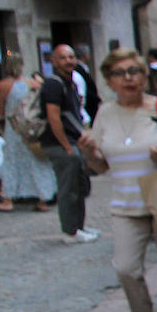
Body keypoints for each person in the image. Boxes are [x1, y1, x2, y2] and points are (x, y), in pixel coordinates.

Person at [77, 48, 157, 312]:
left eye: (134, 71)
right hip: (125, 203)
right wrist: (89, 153)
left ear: (144, 76)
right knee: (126, 268)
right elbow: (102, 166)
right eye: (120, 73)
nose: (129, 78)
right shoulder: (105, 114)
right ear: (109, 80)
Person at [41, 44, 99, 243]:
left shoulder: (71, 83)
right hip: (60, 144)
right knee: (68, 188)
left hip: (74, 141)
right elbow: (53, 117)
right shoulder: (53, 85)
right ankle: (70, 231)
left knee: (79, 185)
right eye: (63, 57)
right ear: (54, 61)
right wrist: (66, 145)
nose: (68, 61)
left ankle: (78, 226)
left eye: (71, 57)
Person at [0, 56, 56, 212]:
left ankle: (8, 199)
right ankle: (43, 198)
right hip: (31, 128)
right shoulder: (34, 84)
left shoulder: (2, 86)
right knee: (37, 160)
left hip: (13, 128)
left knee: (11, 160)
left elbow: (1, 111)